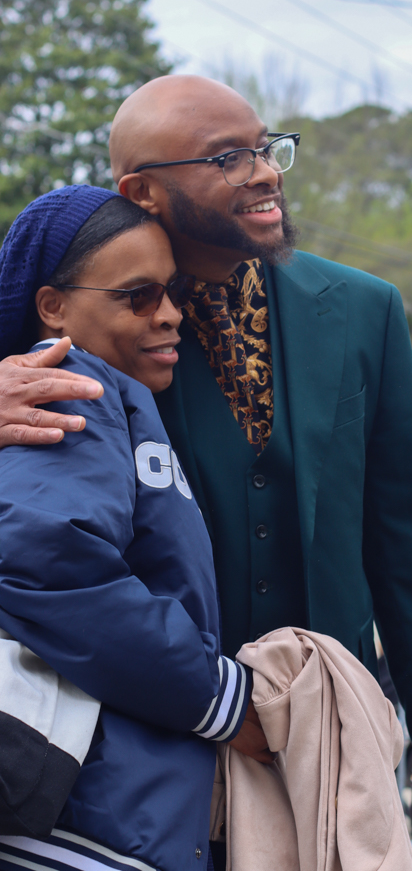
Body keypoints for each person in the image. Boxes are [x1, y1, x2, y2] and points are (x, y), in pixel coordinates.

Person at [0, 76, 412, 871]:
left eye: (266, 148)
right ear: (141, 191)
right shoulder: (98, 320)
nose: (265, 172)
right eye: (227, 158)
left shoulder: (363, 309)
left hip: (319, 745)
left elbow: (408, 549)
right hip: (139, 748)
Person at [0, 186, 255, 871]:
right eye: (137, 296)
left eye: (173, 292)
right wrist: (218, 698)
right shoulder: (70, 387)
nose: (169, 314)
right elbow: (41, 559)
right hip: (79, 822)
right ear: (53, 306)